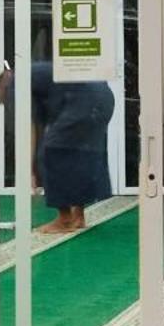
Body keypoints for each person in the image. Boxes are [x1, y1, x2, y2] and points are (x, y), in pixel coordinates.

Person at [18, 61, 116, 235]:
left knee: (52, 153)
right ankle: (78, 215)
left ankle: (64, 219)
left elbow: (31, 127)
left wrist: (29, 170)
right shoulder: (39, 75)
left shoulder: (19, 83)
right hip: (103, 96)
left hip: (84, 99)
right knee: (80, 153)